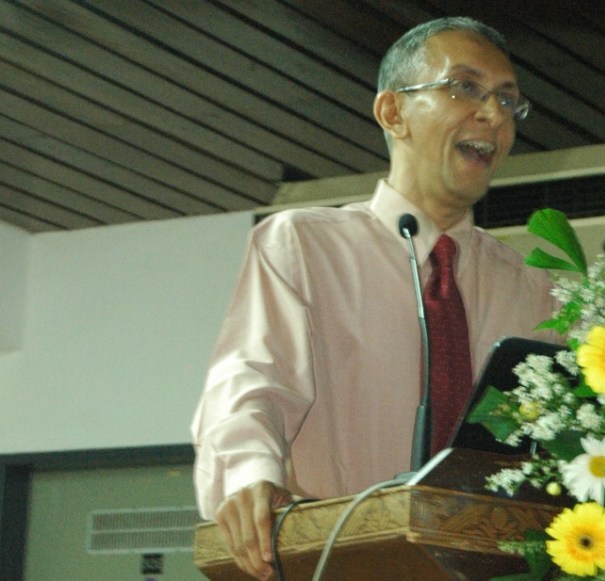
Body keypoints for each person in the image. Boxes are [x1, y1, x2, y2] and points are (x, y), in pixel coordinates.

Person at [191, 16, 555, 580]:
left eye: (508, 100)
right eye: (465, 88)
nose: (494, 114)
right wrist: (247, 472)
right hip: (341, 562)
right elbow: (251, 378)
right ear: (393, 113)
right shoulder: (303, 244)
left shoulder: (533, 287)